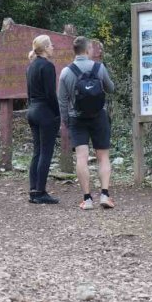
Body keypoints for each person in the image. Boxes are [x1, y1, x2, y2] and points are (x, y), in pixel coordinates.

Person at [58, 37, 116, 210]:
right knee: (103, 156)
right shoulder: (99, 68)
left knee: (81, 157)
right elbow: (111, 88)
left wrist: (66, 121)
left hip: (76, 118)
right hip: (99, 116)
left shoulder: (66, 72)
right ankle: (105, 195)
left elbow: (62, 101)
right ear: (87, 49)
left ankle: (87, 199)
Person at [26, 34, 61, 204]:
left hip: (32, 110)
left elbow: (29, 93)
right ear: (46, 48)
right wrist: (57, 113)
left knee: (37, 152)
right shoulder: (47, 66)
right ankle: (40, 192)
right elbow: (50, 94)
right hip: (45, 112)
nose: (53, 47)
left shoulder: (31, 66)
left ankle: (33, 190)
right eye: (51, 45)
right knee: (46, 153)